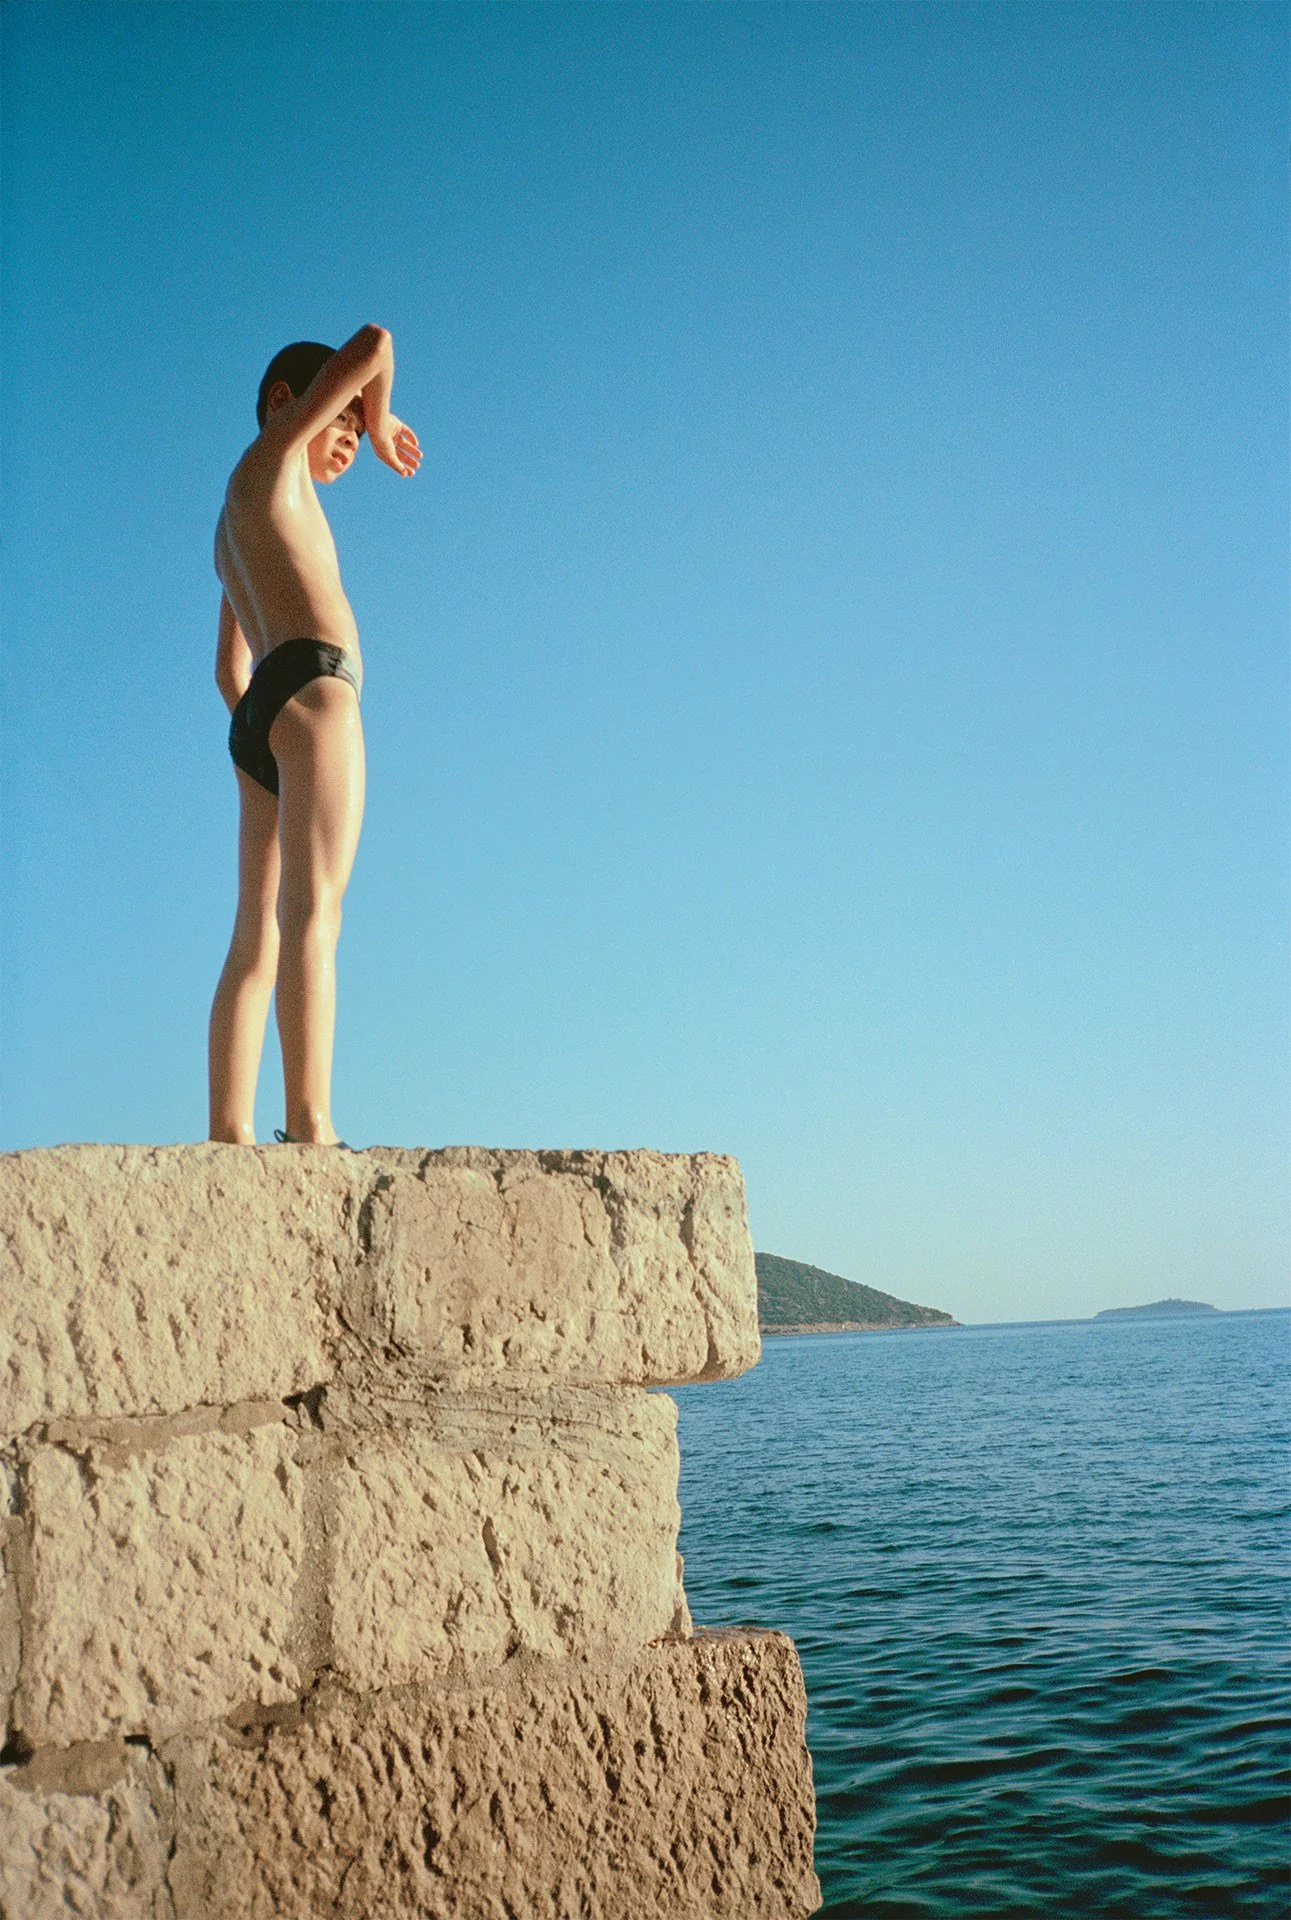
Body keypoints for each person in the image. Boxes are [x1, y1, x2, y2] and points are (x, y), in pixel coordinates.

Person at [207, 326, 420, 1145]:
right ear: (286, 404)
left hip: (263, 709)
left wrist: (262, 734)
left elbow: (225, 669)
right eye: (343, 424)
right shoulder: (277, 459)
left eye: (356, 432)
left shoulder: (232, 522)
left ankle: (229, 1131)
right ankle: (310, 1124)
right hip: (316, 686)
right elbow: (374, 341)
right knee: (315, 913)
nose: (350, 438)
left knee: (252, 936)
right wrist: (384, 413)